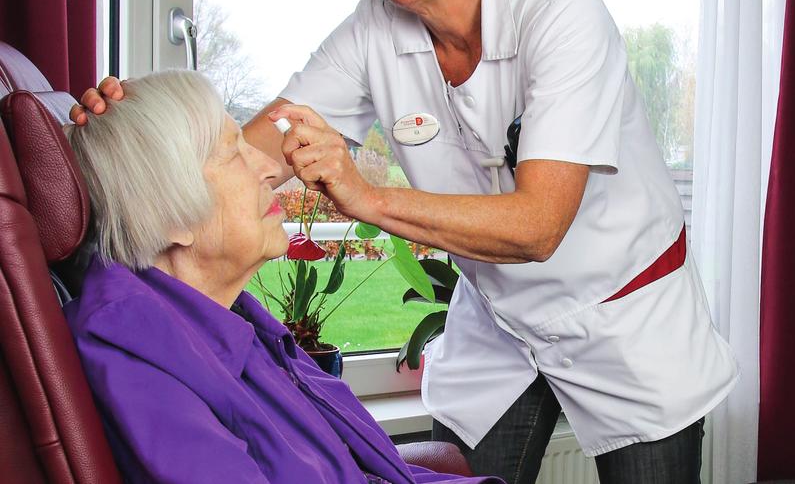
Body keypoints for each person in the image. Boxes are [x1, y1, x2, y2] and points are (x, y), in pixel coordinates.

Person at [73, 0, 738, 482]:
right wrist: (131, 139)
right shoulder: (373, 31)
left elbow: (539, 225)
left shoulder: (562, 14)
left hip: (622, 316)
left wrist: (368, 198)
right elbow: (243, 155)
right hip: (501, 320)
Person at [64, 70, 502, 484]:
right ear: (166, 213)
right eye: (234, 152)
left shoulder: (230, 317)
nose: (272, 170)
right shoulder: (134, 351)